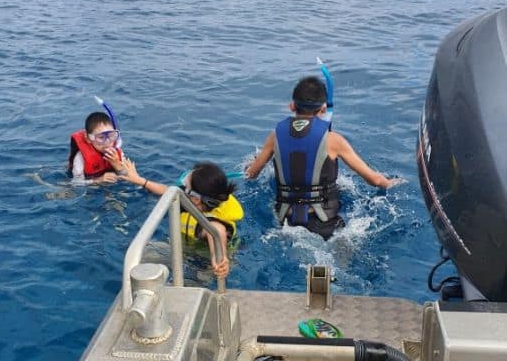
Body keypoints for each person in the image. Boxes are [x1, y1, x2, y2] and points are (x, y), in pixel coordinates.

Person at [245, 76, 400, 239]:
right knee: (337, 253)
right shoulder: (334, 140)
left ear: (292, 106)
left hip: (285, 221)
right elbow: (374, 180)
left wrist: (250, 165)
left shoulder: (274, 136)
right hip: (325, 223)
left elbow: (251, 175)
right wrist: (390, 183)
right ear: (323, 109)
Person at [119, 159, 243, 278]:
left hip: (206, 265)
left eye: (186, 184)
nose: (183, 185)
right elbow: (168, 191)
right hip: (185, 251)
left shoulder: (213, 225)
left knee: (189, 284)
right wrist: (140, 181)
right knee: (138, 253)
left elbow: (217, 235)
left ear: (195, 198)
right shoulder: (197, 201)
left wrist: (221, 262)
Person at [66, 112, 126, 184]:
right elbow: (76, 183)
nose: (107, 141)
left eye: (111, 135)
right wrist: (98, 180)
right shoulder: (80, 158)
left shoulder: (118, 152)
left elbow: (127, 177)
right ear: (88, 139)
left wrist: (117, 165)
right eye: (101, 137)